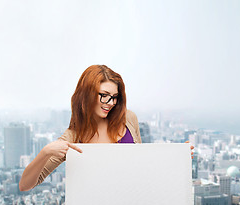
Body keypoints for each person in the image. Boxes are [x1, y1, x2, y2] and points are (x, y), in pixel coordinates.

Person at [19, 64, 194, 191]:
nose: (110, 103)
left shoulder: (128, 119)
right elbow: (25, 185)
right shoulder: (73, 136)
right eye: (104, 96)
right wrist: (46, 151)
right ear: (86, 95)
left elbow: (140, 167)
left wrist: (175, 158)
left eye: (115, 97)